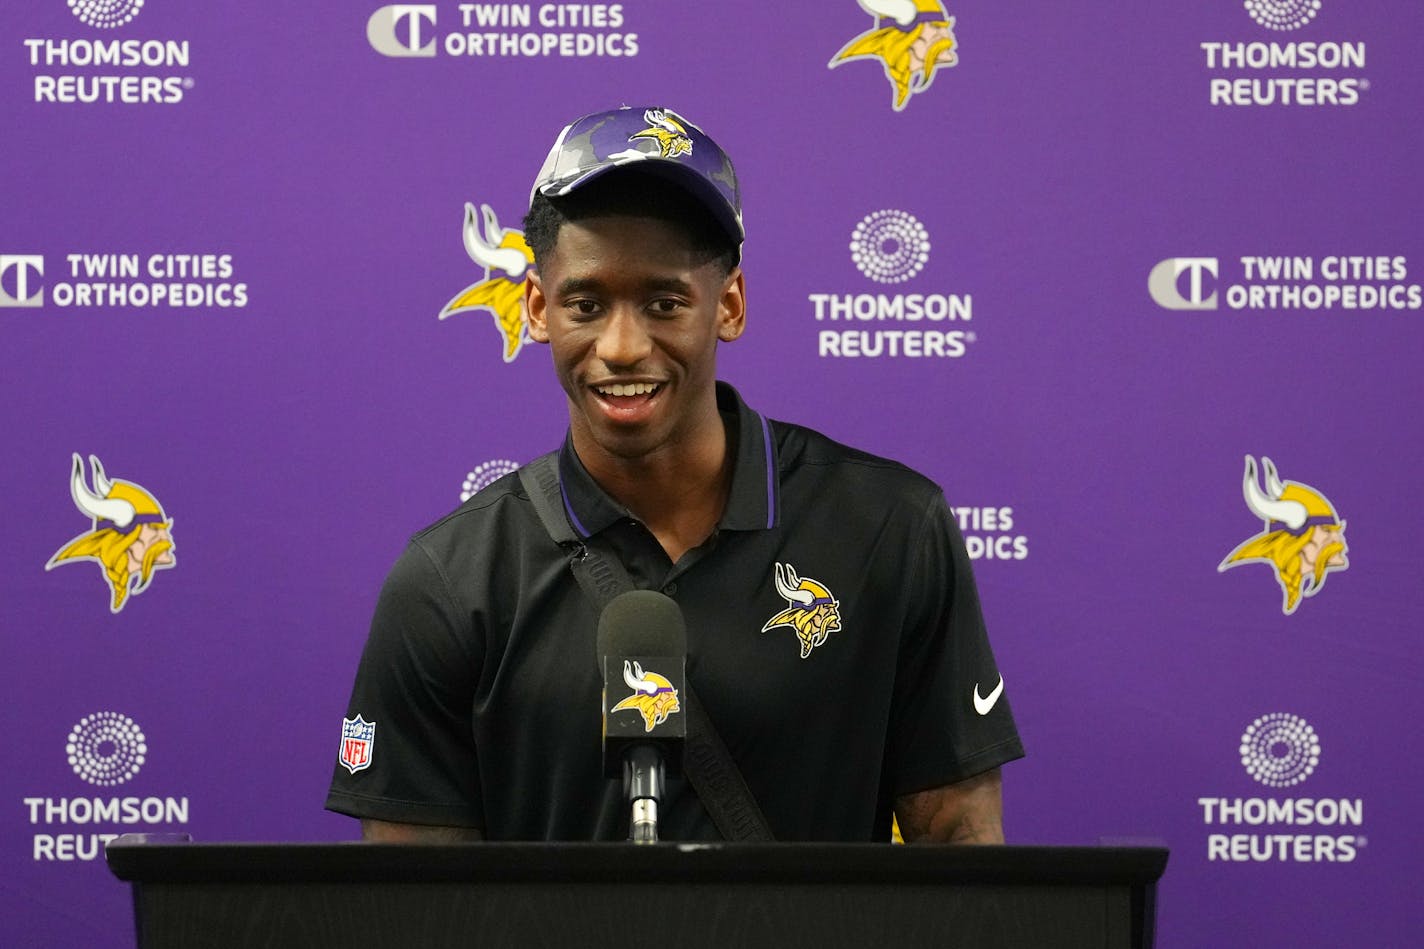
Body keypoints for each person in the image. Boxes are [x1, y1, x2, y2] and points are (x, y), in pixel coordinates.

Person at [325, 106, 1023, 843]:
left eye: (664, 302)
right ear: (536, 309)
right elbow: (414, 906)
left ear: (729, 305)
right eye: (586, 303)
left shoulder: (889, 529)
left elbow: (961, 854)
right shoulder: (448, 581)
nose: (622, 346)